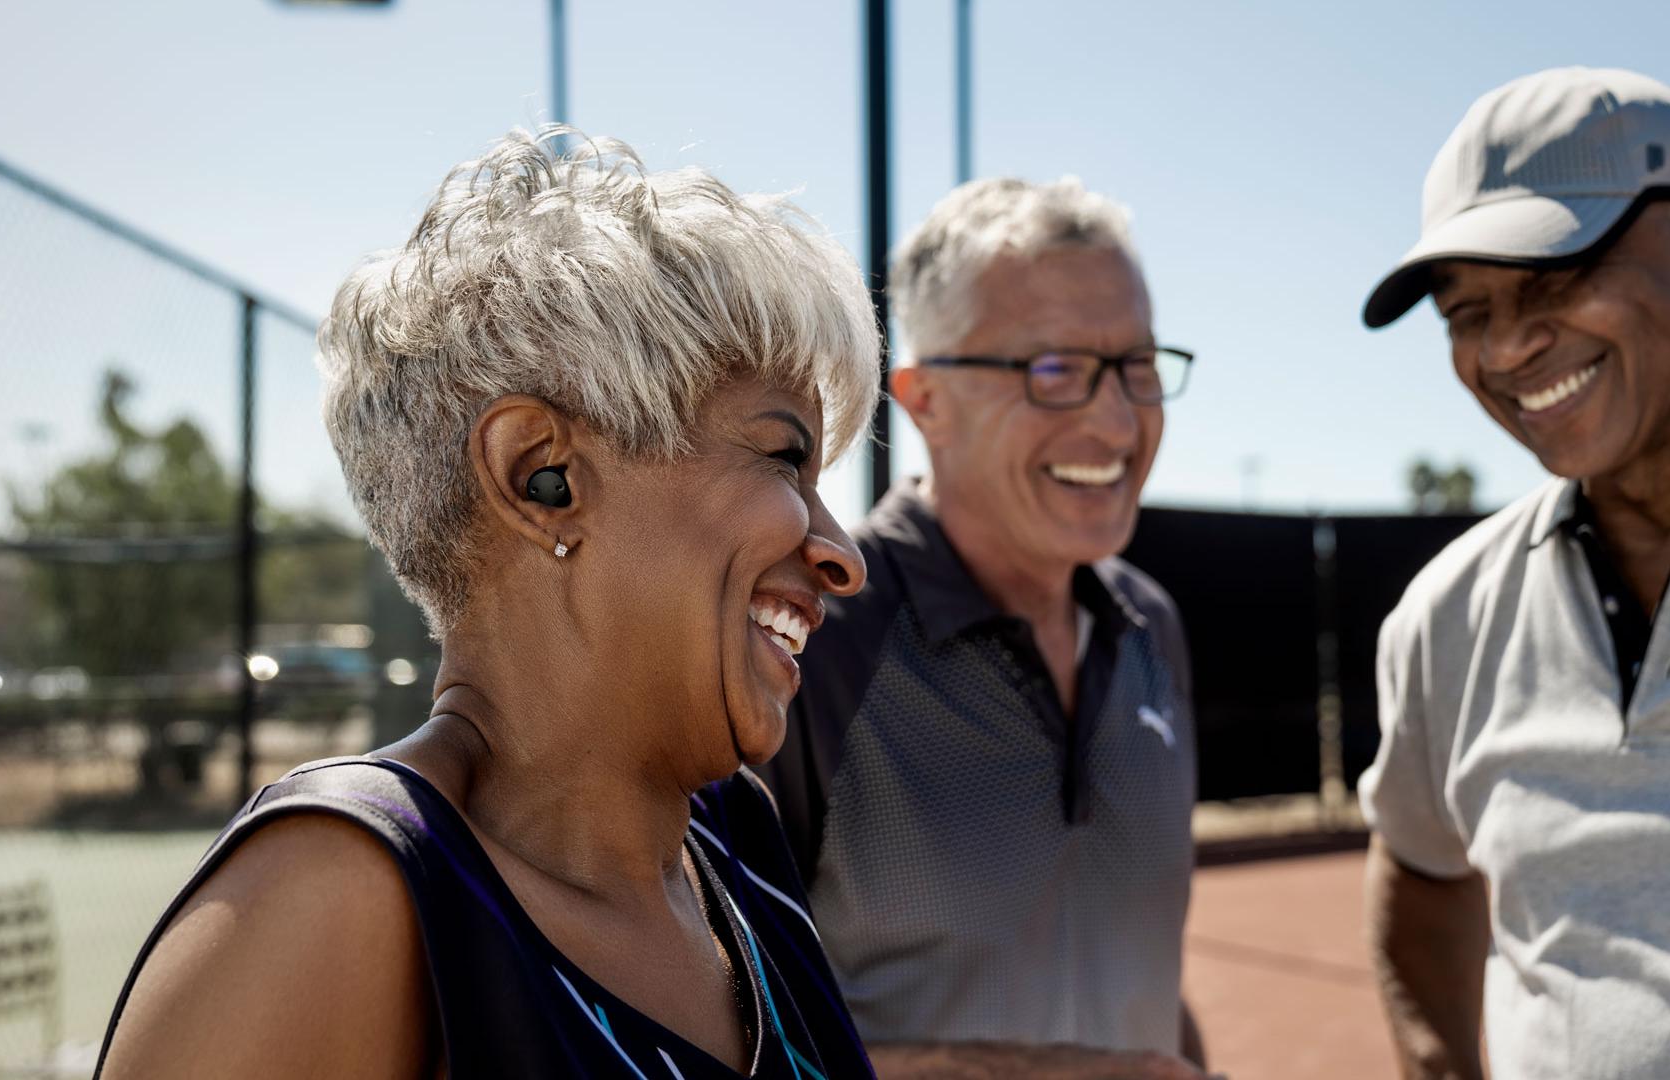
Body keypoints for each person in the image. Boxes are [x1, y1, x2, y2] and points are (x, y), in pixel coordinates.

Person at [95, 127, 885, 1079]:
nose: (842, 554)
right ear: (540, 474)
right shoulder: (342, 898)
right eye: (784, 457)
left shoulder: (734, 845)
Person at [1359, 67, 1670, 1079]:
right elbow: (1419, 865)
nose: (1506, 346)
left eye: (1554, 279)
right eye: (1463, 312)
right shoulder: (1450, 612)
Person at [757, 177, 1211, 1079]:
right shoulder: (813, 635)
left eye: (1138, 368)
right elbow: (720, 1031)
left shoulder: (1149, 627)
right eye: (1055, 370)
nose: (1117, 421)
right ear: (924, 401)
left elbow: (1136, 959)